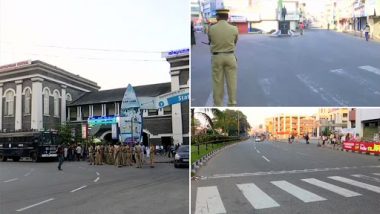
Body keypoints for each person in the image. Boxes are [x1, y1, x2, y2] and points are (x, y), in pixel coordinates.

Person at [208, 9, 239, 106]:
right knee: (232, 82)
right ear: (227, 17)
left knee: (217, 83)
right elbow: (235, 41)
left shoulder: (211, 29)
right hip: (230, 56)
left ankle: (218, 104)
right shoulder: (234, 28)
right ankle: (232, 103)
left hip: (217, 57)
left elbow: (210, 40)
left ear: (217, 17)